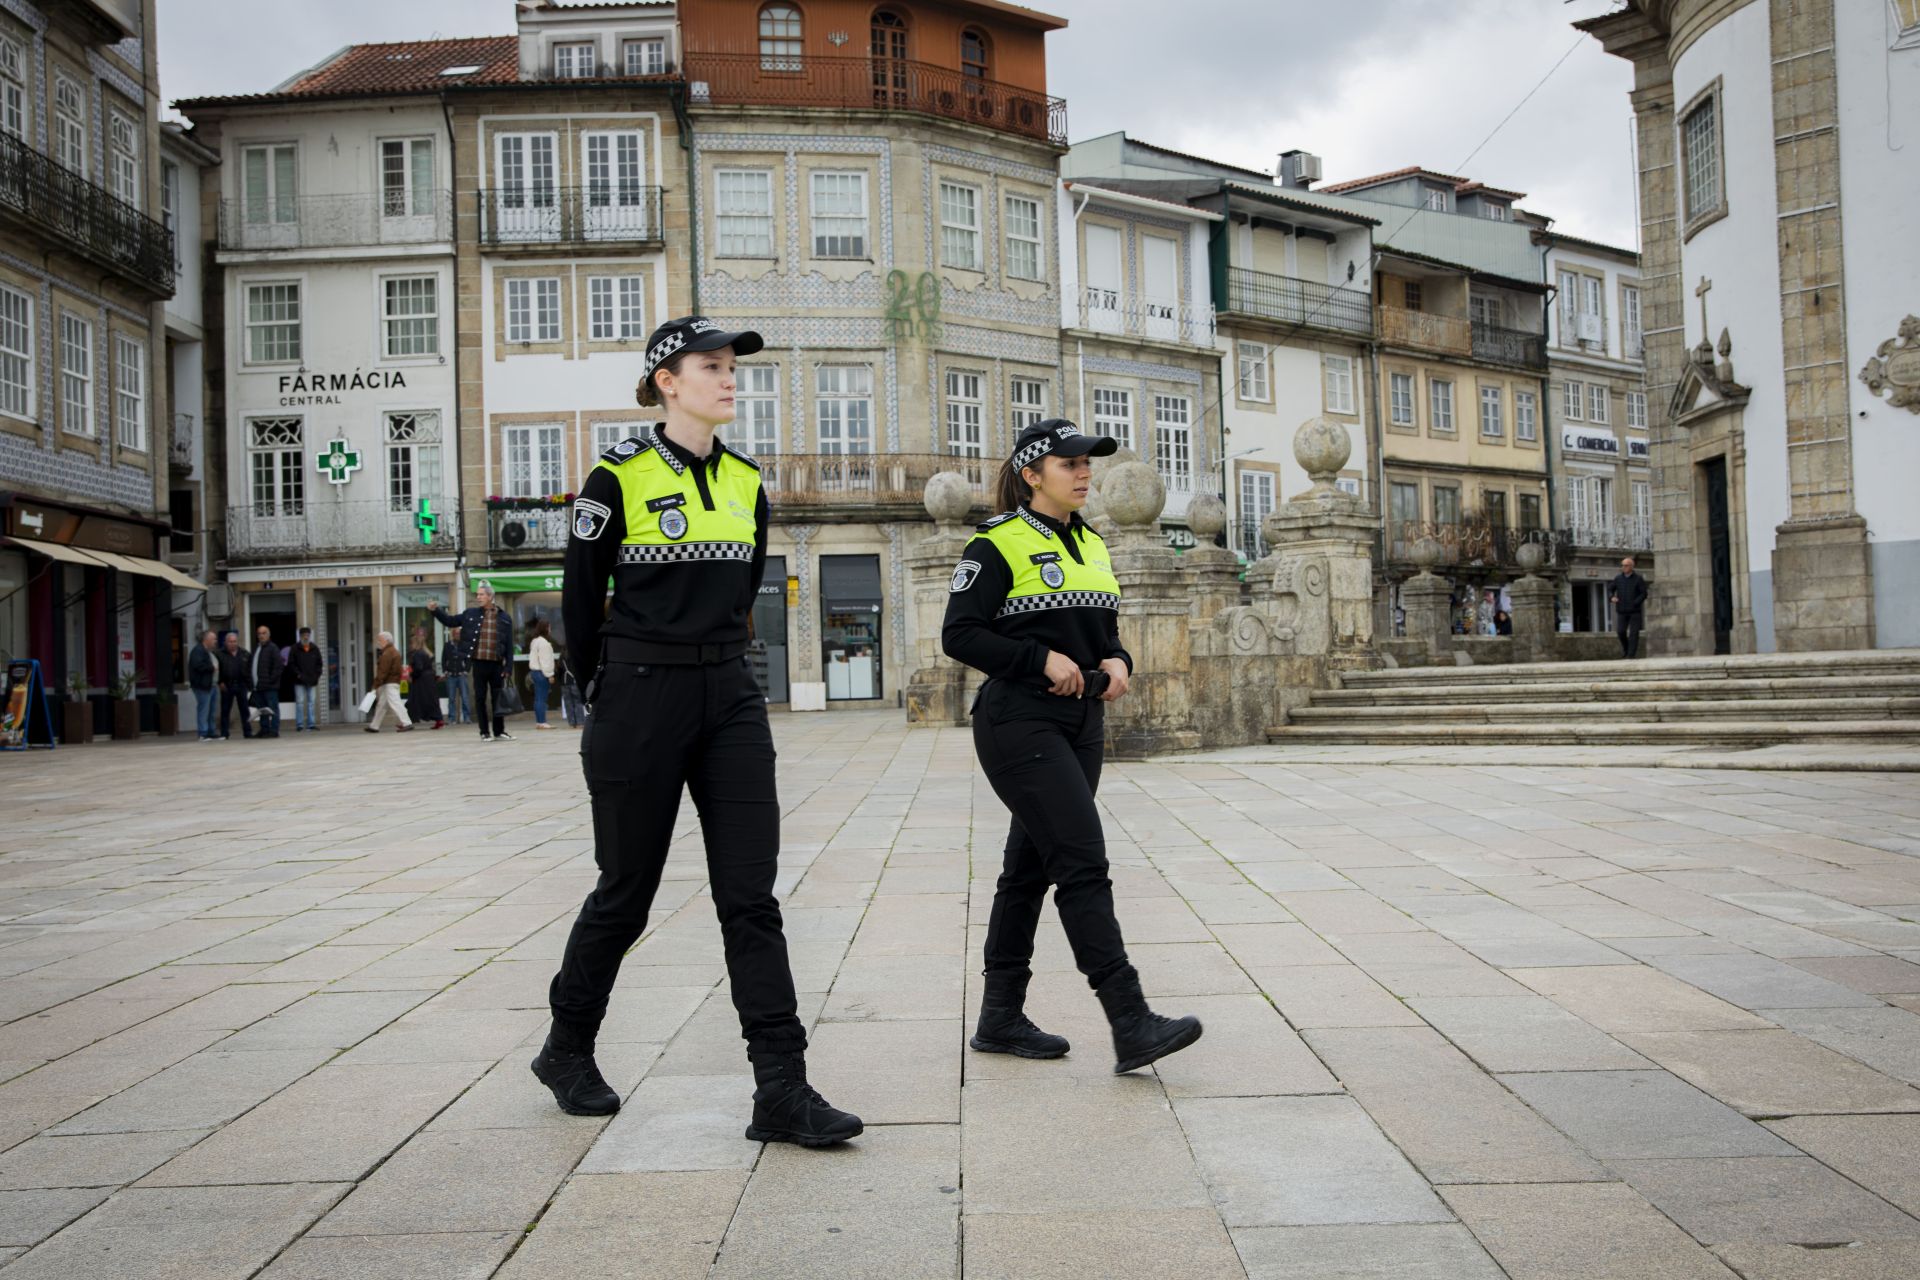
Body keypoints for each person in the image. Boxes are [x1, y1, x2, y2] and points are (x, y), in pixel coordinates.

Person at [535, 315, 860, 1147]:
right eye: (709, 366)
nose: (728, 378)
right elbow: (579, 602)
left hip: (731, 693)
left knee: (751, 897)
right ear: (665, 382)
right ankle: (567, 1046)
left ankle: (781, 1086)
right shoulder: (615, 481)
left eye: (731, 367)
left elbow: (745, 584)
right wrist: (605, 693)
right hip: (639, 696)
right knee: (626, 892)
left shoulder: (748, 482)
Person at [942, 418, 1202, 1076]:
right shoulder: (995, 543)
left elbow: (1102, 631)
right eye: (1069, 463)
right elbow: (961, 634)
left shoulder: (1092, 542)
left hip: (1083, 721)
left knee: (1028, 871)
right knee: (1082, 863)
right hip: (1019, 721)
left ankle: (1000, 1017)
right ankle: (1130, 1018)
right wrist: (1038, 659)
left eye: (1088, 462)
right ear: (1032, 475)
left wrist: (1119, 661)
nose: (1084, 472)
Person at [429, 586, 515, 740]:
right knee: (480, 698)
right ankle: (484, 732)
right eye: (478, 594)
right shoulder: (471, 614)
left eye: (481, 594)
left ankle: (499, 731)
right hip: (479, 663)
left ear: (490, 596)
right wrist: (436, 611)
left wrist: (508, 667)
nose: (478, 597)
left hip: (496, 664)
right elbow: (451, 621)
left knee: (498, 699)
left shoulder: (504, 617)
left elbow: (509, 645)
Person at [365, 631, 413, 733]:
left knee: (395, 703)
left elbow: (383, 671)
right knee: (381, 705)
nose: (378, 642)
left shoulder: (387, 653)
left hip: (389, 683)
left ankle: (407, 722)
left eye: (380, 640)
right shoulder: (393, 651)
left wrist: (375, 684)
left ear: (386, 640)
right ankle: (374, 726)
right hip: (391, 681)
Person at [405, 626, 446, 730]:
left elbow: (419, 668)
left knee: (415, 701)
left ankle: (407, 721)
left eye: (411, 643)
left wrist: (411, 675)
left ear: (415, 643)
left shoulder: (417, 654)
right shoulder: (425, 653)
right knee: (431, 700)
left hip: (421, 681)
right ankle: (438, 719)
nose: (410, 645)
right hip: (428, 680)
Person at [1610, 555, 1649, 658]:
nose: (1624, 567)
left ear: (1632, 566)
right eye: (1623, 565)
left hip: (1634, 611)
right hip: (1622, 610)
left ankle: (1631, 655)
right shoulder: (1618, 578)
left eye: (1626, 565)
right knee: (1621, 632)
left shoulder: (1638, 579)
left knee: (1634, 634)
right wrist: (1612, 597)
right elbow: (1611, 589)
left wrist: (1636, 602)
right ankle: (1626, 649)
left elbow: (1643, 593)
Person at [214, 631, 251, 740]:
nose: (232, 643)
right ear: (225, 642)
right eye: (230, 642)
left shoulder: (245, 653)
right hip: (227, 685)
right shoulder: (219, 654)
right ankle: (224, 733)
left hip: (241, 684)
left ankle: (247, 731)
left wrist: (249, 684)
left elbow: (249, 670)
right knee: (225, 710)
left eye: (234, 641)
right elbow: (216, 670)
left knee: (244, 710)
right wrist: (220, 682)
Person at [250, 624, 283, 738]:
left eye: (264, 633)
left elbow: (278, 667)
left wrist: (270, 681)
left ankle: (274, 730)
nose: (261, 636)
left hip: (269, 686)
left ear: (268, 635)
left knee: (272, 708)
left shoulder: (273, 648)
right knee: (262, 710)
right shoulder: (256, 648)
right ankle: (264, 729)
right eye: (259, 633)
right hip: (258, 686)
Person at [289, 628, 323, 731]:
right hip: (299, 680)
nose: (306, 636)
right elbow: (291, 664)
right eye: (303, 634)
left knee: (311, 702)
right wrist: (298, 675)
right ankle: (299, 724)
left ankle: (311, 724)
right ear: (300, 636)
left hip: (312, 680)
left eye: (307, 634)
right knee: (299, 702)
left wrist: (317, 675)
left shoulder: (314, 648)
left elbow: (319, 664)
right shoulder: (295, 648)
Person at [187, 629, 219, 741]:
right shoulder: (198, 651)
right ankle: (203, 733)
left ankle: (211, 731)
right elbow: (198, 665)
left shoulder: (208, 651)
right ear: (207, 640)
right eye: (214, 639)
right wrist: (212, 668)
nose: (215, 641)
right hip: (202, 686)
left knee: (211, 710)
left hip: (212, 685)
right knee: (204, 709)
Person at [527, 620, 556, 730]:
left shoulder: (534, 641)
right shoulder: (544, 643)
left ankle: (539, 721)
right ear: (546, 628)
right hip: (542, 673)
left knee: (538, 698)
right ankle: (542, 721)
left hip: (535, 672)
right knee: (542, 698)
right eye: (549, 627)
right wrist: (550, 675)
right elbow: (546, 661)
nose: (550, 630)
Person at [442, 627, 472, 725]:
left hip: (461, 674)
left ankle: (467, 717)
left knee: (465, 697)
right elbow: (443, 659)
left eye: (459, 634)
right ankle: (452, 718)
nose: (457, 635)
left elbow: (468, 659)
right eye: (456, 634)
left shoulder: (464, 645)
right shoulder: (447, 645)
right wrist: (445, 670)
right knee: (451, 698)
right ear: (453, 634)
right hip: (451, 675)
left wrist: (466, 670)